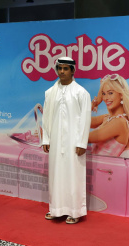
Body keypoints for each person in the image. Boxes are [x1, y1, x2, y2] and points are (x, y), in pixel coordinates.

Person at [42, 56, 91, 224]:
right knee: (56, 175)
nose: (62, 71)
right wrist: (46, 138)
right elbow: (46, 117)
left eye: (65, 68)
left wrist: (81, 143)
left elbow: (85, 119)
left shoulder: (81, 93)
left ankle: (75, 211)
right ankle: (56, 209)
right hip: (55, 142)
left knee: (73, 175)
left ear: (72, 71)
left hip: (74, 143)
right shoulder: (50, 93)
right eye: (59, 68)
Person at [89, 74, 129, 158]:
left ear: (121, 94)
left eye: (110, 93)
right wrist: (96, 101)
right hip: (96, 167)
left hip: (103, 169)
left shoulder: (120, 122)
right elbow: (82, 122)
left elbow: (86, 138)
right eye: (104, 94)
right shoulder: (109, 118)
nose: (105, 98)